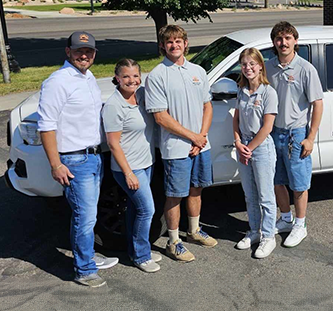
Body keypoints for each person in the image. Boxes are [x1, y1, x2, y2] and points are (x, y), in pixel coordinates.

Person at [37, 31, 118, 288]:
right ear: (68, 52)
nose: (84, 55)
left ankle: (88, 256)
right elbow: (46, 126)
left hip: (93, 157)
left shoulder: (88, 76)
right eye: (79, 51)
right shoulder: (57, 82)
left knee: (88, 215)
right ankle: (84, 270)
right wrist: (55, 164)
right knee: (84, 216)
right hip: (73, 161)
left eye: (89, 52)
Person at [145, 25, 218, 262]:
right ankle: (173, 241)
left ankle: (194, 231)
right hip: (176, 148)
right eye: (169, 42)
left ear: (186, 43)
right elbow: (160, 117)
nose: (174, 45)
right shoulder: (157, 75)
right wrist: (193, 137)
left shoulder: (197, 70)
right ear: (162, 46)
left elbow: (207, 105)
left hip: (200, 145)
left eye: (178, 41)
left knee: (197, 188)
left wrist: (202, 136)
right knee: (175, 194)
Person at [266, 21, 324, 247]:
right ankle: (286, 218)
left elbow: (317, 104)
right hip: (273, 133)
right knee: (277, 181)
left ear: (295, 41)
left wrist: (310, 137)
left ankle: (300, 224)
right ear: (274, 42)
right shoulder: (268, 67)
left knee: (299, 184)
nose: (283, 43)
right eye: (279, 39)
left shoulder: (306, 69)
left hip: (296, 133)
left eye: (288, 38)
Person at [102, 59, 163, 273]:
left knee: (135, 209)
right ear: (117, 78)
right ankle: (141, 256)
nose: (131, 80)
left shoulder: (143, 95)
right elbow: (113, 143)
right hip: (129, 168)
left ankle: (134, 249)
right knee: (147, 210)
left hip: (147, 162)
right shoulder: (113, 105)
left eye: (135, 75)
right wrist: (128, 173)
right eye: (126, 76)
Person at [233, 48, 279, 258]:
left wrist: (249, 149)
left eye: (252, 64)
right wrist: (238, 142)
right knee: (249, 195)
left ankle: (268, 237)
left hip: (260, 148)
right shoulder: (241, 90)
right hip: (244, 146)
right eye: (244, 64)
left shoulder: (268, 92)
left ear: (260, 65)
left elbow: (267, 127)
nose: (248, 68)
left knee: (265, 196)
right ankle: (254, 231)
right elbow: (236, 119)